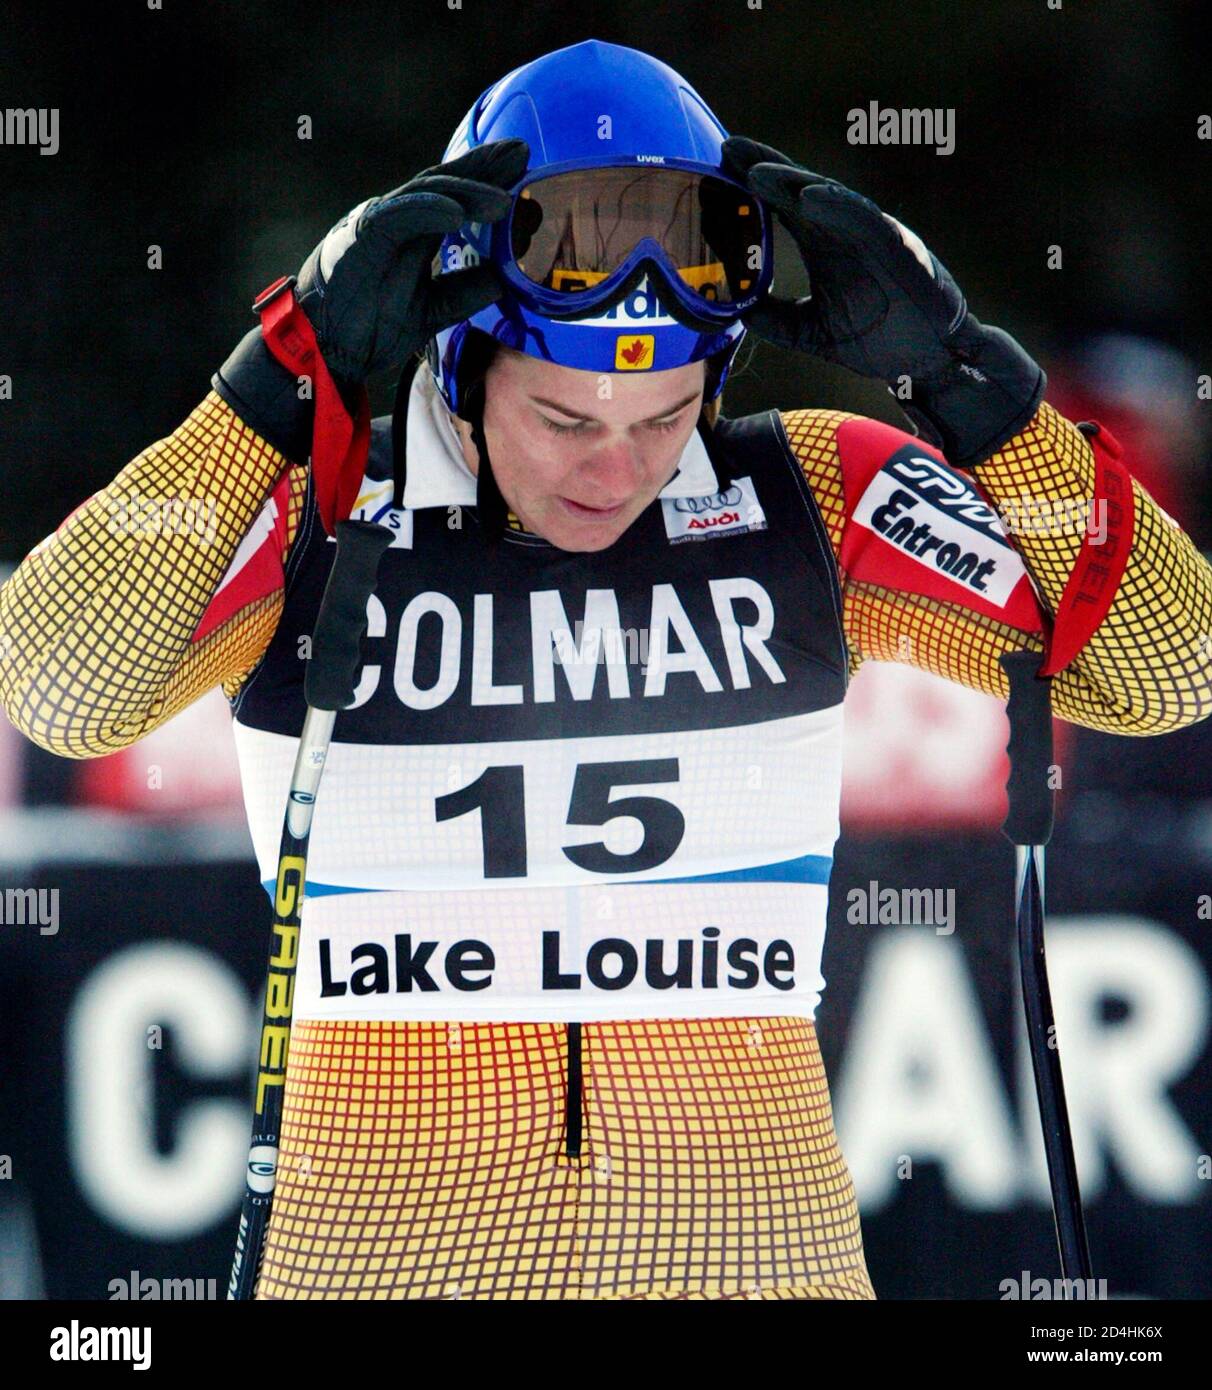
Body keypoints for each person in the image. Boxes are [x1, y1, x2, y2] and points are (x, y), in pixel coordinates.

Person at [1, 39, 1209, 1301]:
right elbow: (56, 682)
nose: (615, 470)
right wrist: (272, 385)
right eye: (565, 419)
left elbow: (1166, 669)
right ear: (463, 359)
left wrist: (974, 387)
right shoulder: (322, 511)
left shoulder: (809, 495)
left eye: (665, 416)